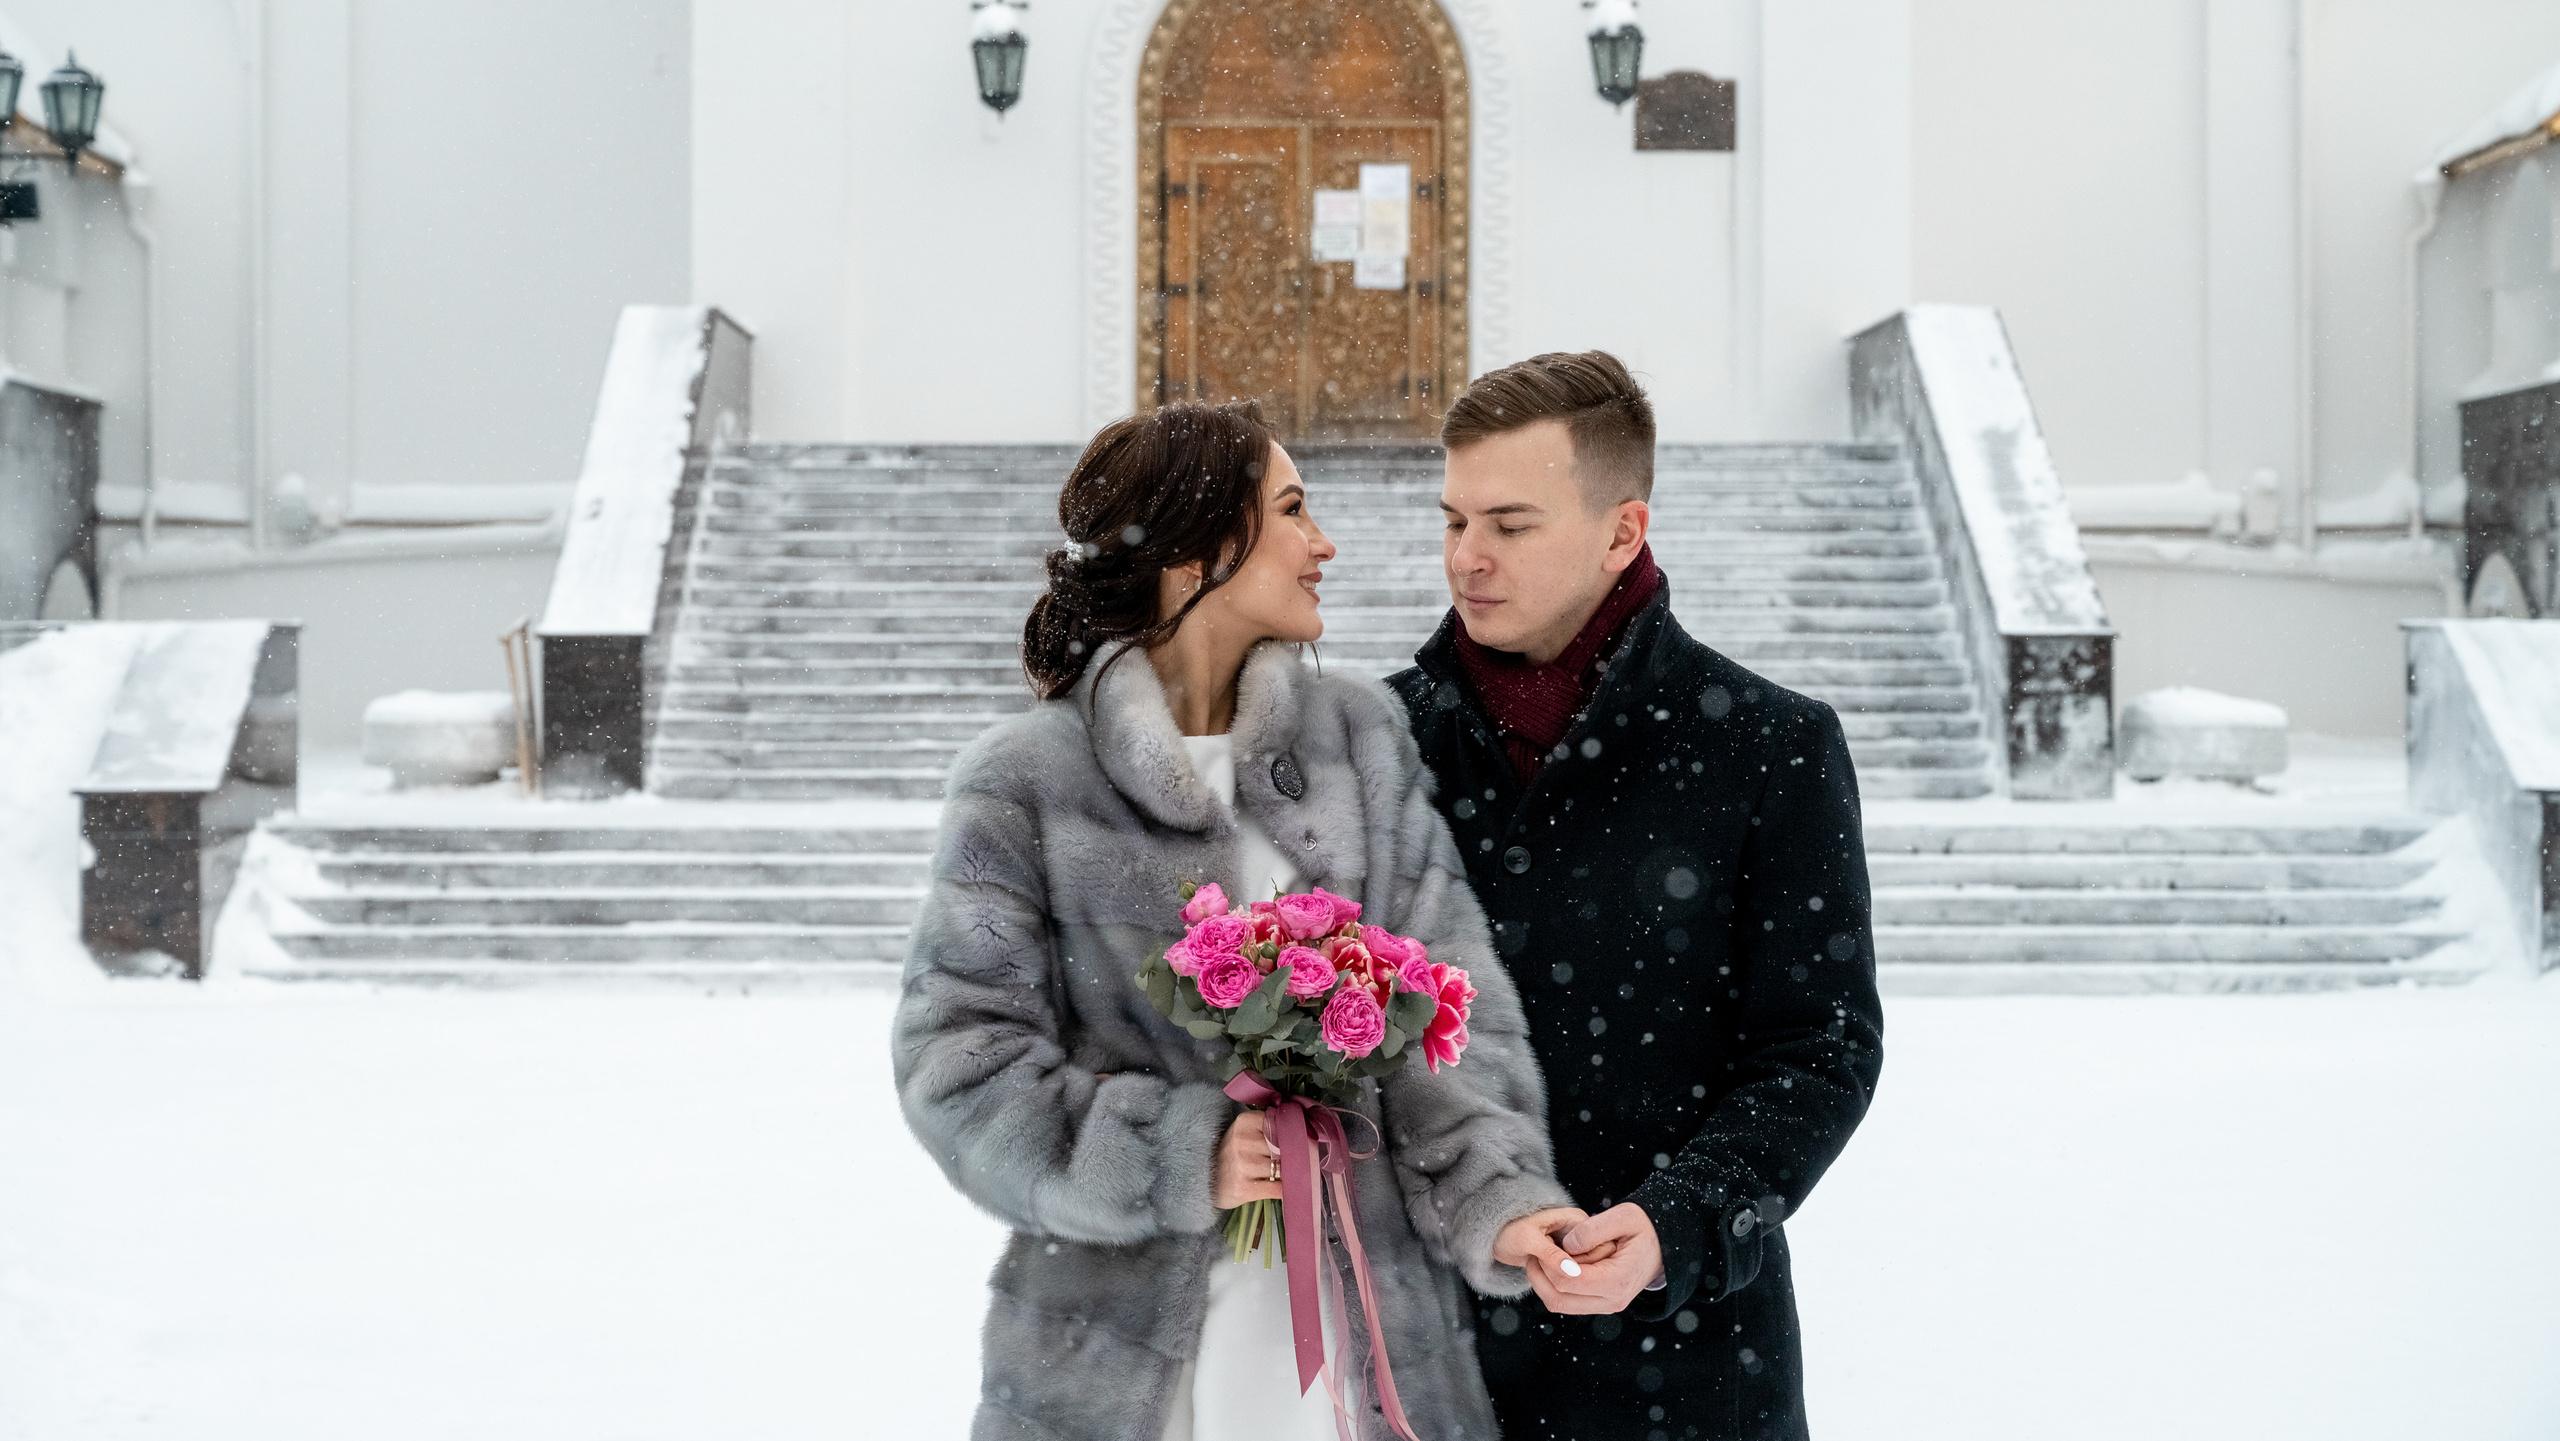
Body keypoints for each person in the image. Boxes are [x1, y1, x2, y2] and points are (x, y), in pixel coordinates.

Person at [894, 400, 1588, 1441]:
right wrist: (1181, 1150)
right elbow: (961, 1062)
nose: (1325, 543)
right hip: (1115, 1357)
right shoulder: (1026, 782)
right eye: (1293, 511)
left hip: (1359, 1340)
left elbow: (1453, 1013)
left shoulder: (1359, 739)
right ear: (1195, 553)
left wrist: (1506, 1200)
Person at [1386, 352, 1886, 1441]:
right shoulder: (1372, 744)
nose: (1466, 557)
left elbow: (1820, 1047)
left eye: (1510, 524)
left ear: (1622, 531)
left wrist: (1676, 1222)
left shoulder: (1770, 747)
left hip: (1690, 1367)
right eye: (1453, 519)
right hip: (1421, 1364)